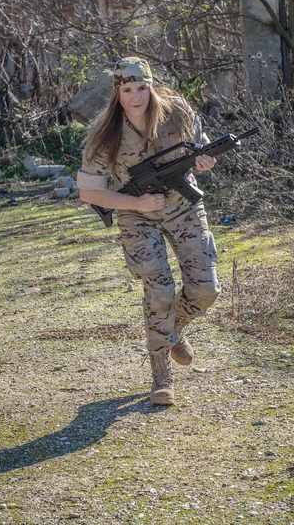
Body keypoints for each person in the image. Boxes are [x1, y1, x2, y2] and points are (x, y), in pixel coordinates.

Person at [77, 57, 221, 405]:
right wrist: (137, 205)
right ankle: (161, 375)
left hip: (182, 206)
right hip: (136, 214)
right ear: (117, 92)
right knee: (159, 288)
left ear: (151, 86)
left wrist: (206, 161)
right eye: (128, 90)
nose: (136, 96)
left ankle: (173, 330)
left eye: (142, 88)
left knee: (206, 289)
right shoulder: (104, 133)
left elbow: (201, 151)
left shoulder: (178, 112)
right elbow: (89, 192)